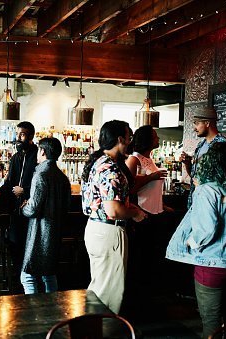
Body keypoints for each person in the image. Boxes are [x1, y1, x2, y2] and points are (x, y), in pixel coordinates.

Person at [165, 142, 226, 338]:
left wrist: (191, 242)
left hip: (211, 264)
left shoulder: (208, 190)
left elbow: (205, 231)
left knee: (211, 322)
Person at [81, 120, 146, 314]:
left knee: (99, 289)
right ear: (120, 139)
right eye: (129, 137)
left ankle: (91, 331)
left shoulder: (99, 162)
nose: (130, 142)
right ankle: (100, 332)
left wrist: (129, 206)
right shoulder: (110, 168)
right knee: (109, 295)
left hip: (96, 229)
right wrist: (135, 213)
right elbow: (113, 210)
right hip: (109, 230)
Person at [20, 137, 71, 294]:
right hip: (56, 230)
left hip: (39, 231)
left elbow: (33, 208)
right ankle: (53, 310)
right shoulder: (62, 177)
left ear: (42, 151)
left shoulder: (41, 174)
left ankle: (34, 310)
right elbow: (66, 206)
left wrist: (24, 207)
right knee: (49, 274)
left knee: (27, 276)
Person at [0, 121, 38, 291]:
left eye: (23, 134)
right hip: (15, 213)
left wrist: (24, 191)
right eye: (17, 134)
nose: (18, 137)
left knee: (30, 251)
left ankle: (30, 289)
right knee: (16, 249)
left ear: (31, 136)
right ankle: (17, 287)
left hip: (31, 213)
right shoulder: (16, 157)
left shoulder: (37, 155)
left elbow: (41, 184)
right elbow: (9, 181)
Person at [180, 106, 226, 208]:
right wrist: (188, 164)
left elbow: (225, 177)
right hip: (196, 200)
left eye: (197, 123)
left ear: (207, 123)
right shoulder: (201, 145)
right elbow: (195, 177)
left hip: (210, 202)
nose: (194, 128)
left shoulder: (222, 145)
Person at [126, 125, 170, 214]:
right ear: (147, 140)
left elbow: (151, 191)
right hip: (142, 210)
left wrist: (162, 206)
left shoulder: (148, 158)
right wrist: (150, 177)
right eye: (155, 136)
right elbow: (129, 190)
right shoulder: (134, 159)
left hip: (155, 211)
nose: (158, 138)